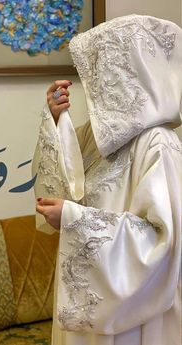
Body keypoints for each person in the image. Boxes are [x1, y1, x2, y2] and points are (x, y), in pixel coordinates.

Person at [32, 14, 182, 345]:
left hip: (137, 316)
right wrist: (58, 120)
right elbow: (63, 184)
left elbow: (164, 243)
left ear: (133, 74)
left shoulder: (159, 145)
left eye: (106, 70)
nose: (96, 84)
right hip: (93, 297)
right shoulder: (98, 138)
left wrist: (74, 220)